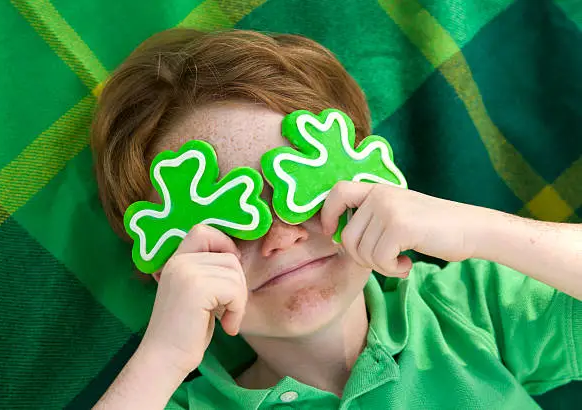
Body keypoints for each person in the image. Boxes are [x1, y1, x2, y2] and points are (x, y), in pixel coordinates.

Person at [90, 28, 582, 409]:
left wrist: (480, 229)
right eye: (228, 220)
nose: (280, 236)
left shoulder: (465, 311)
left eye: (300, 191)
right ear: (166, 263)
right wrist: (162, 359)